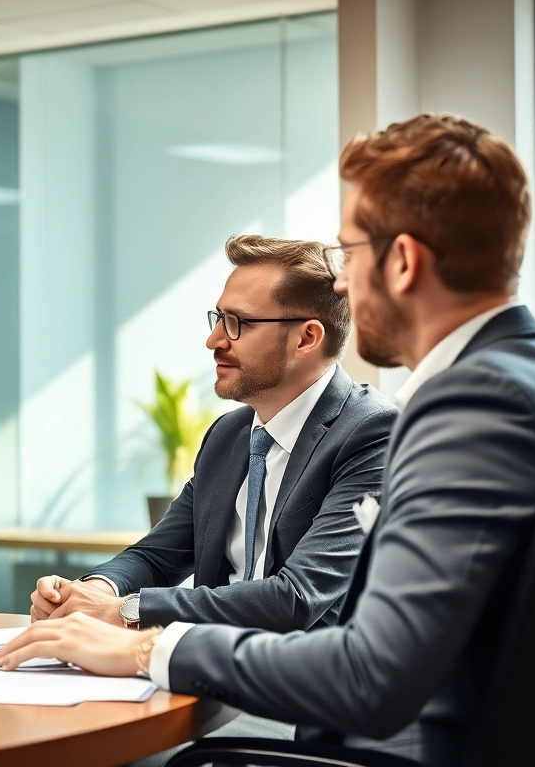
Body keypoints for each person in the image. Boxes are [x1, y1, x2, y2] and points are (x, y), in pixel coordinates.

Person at [0, 113, 535, 766]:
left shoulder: (474, 405)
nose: (340, 283)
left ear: (404, 261)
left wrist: (142, 645)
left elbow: (369, 674)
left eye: (351, 253)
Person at [29, 235, 397, 637]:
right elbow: (156, 557)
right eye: (218, 318)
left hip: (303, 684)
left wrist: (126, 609)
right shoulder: (230, 434)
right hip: (208, 669)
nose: (215, 340)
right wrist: (91, 592)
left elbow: (296, 599)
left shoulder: (372, 433)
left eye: (238, 322)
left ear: (306, 338)